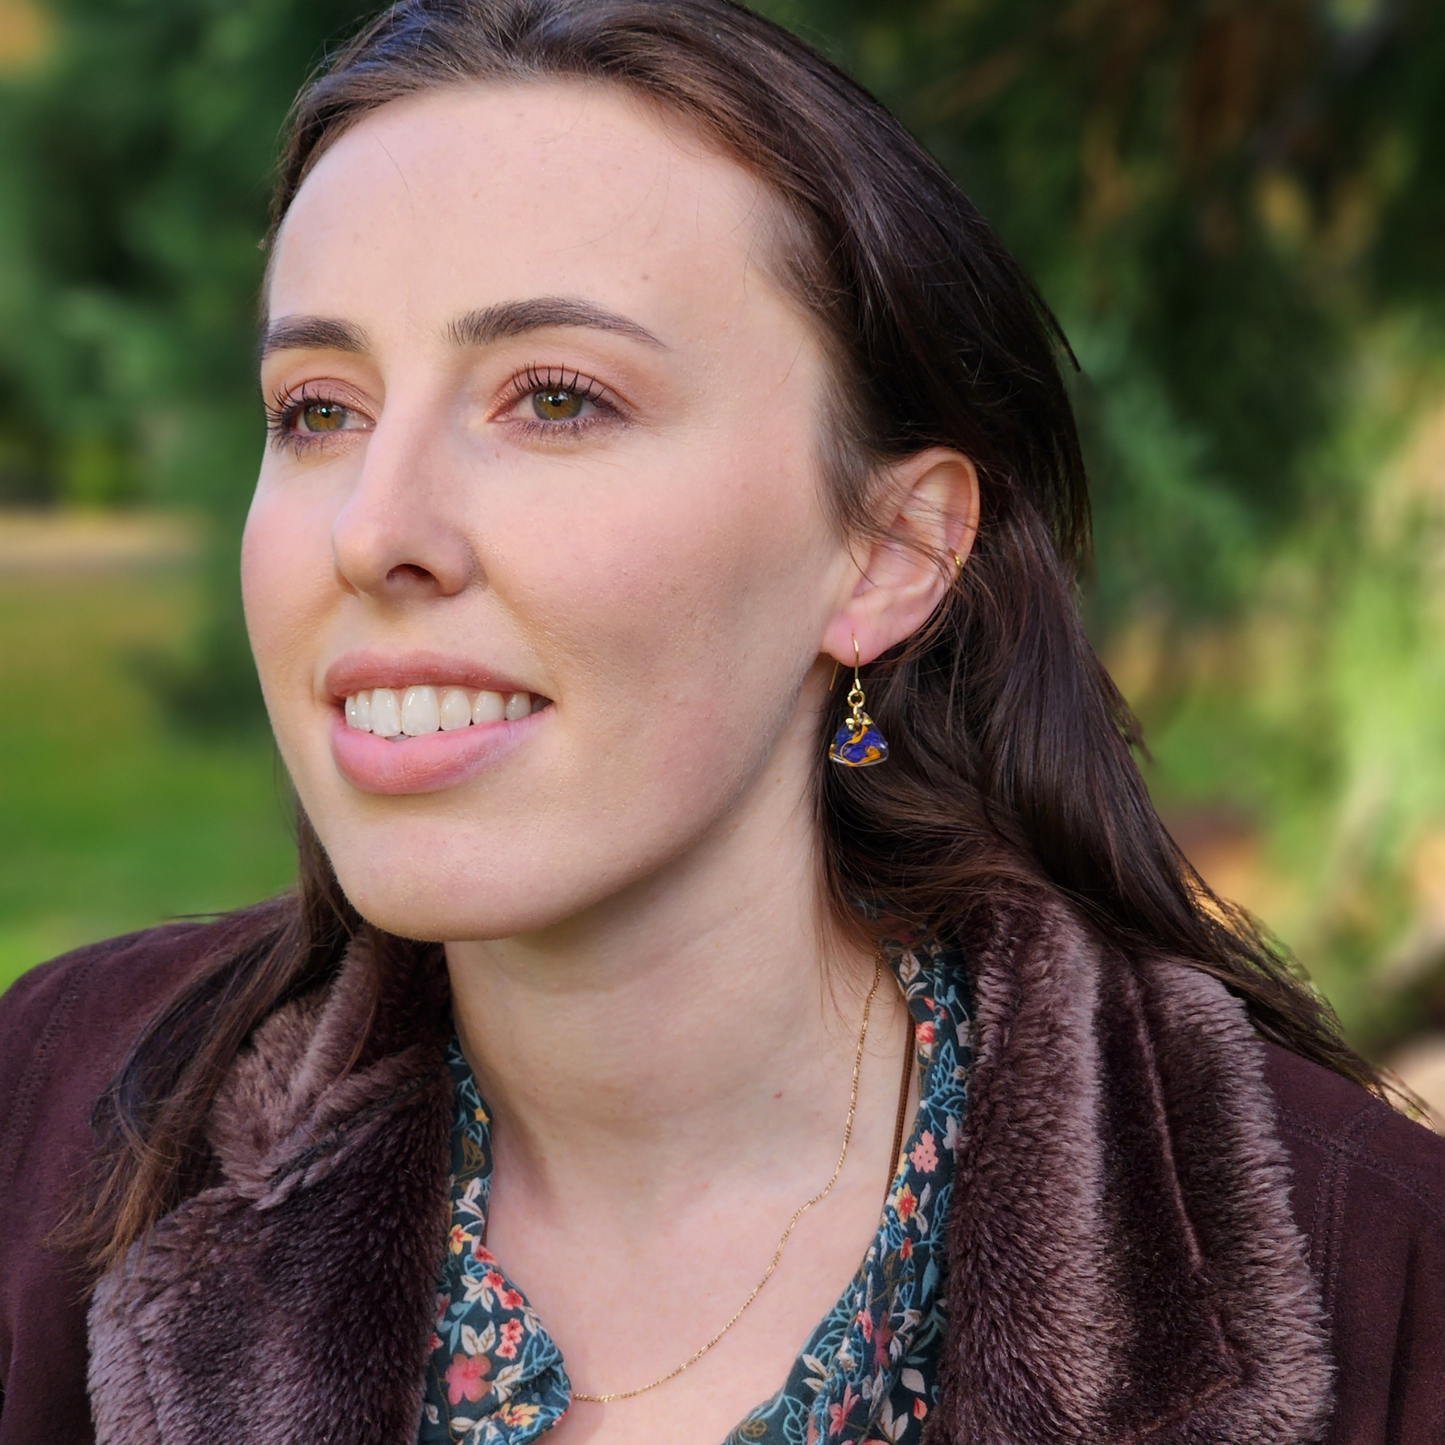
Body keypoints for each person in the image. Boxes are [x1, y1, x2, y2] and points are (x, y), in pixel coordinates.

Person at [2, 2, 1442, 1442]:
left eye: (555, 400)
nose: (375, 530)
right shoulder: (55, 1128)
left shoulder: (1370, 1280)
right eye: (318, 408)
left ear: (889, 552)